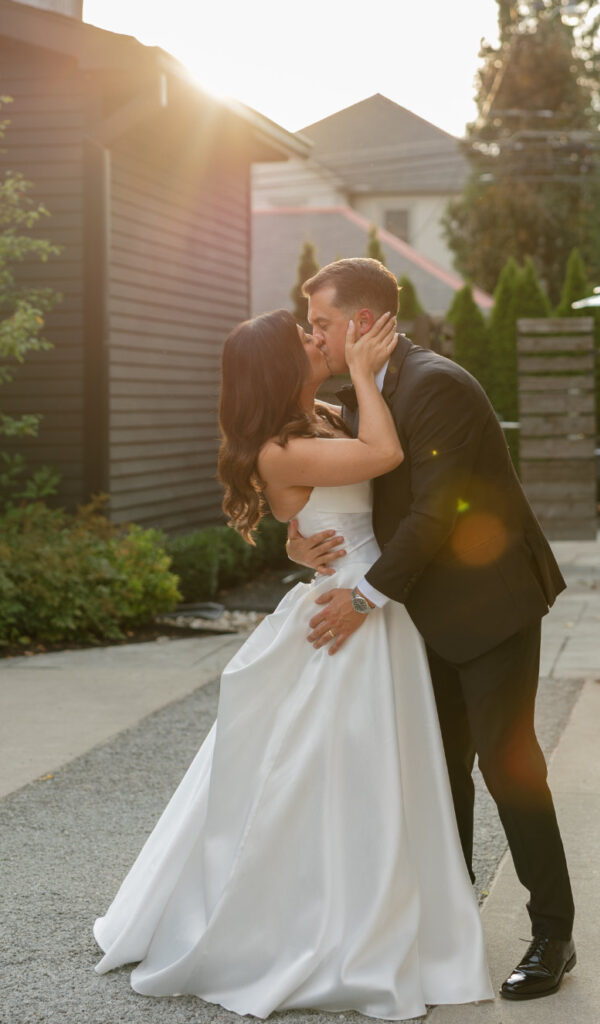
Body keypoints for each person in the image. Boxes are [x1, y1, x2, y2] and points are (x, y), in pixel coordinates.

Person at [92, 309, 494, 1020]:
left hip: (372, 598)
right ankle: (316, 920)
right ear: (279, 365)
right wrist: (368, 377)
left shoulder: (322, 417)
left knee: (372, 762)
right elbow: (384, 459)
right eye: (304, 338)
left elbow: (330, 506)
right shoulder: (281, 447)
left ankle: (388, 902)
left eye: (316, 330)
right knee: (335, 764)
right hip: (348, 609)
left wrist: (294, 539)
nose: (319, 340)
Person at [287, 258, 576, 1001]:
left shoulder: (435, 384)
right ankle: (451, 922)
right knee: (439, 769)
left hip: (491, 606)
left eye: (319, 321)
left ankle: (553, 934)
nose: (310, 335)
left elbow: (438, 509)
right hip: (421, 614)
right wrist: (297, 541)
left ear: (360, 323)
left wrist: (363, 601)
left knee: (507, 765)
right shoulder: (362, 396)